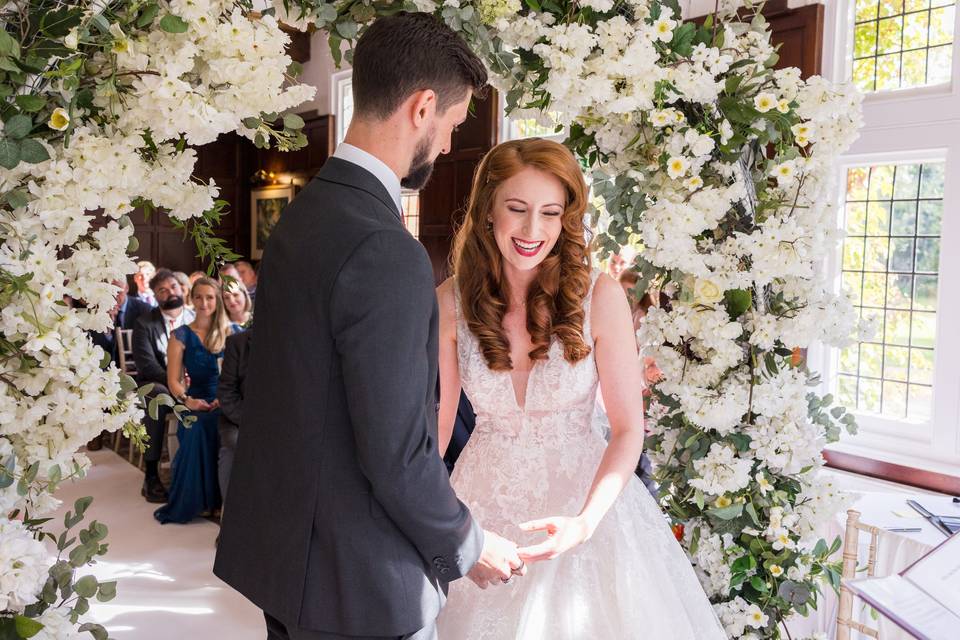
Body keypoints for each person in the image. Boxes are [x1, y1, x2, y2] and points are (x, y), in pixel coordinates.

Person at [214, 13, 523, 640]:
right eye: (452, 127)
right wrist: (467, 544)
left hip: (289, 564)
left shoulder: (304, 216)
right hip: (358, 583)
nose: (443, 147)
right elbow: (397, 454)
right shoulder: (385, 248)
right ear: (423, 106)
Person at [435, 139, 727, 638]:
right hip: (483, 505)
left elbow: (627, 430)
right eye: (517, 209)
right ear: (488, 209)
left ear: (566, 218)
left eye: (550, 213)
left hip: (588, 509)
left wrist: (585, 523)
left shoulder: (600, 295)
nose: (533, 231)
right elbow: (436, 432)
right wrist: (443, 530)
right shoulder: (449, 302)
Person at [154, 277, 238, 524]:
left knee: (222, 427)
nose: (204, 303)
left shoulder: (232, 333)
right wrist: (187, 400)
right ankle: (201, 501)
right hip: (195, 400)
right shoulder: (180, 335)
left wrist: (226, 400)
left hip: (227, 401)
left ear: (218, 300)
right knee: (197, 426)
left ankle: (222, 500)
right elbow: (174, 380)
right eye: (199, 297)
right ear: (192, 298)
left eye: (210, 297)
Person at [132, 269, 196, 503]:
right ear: (155, 296)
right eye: (162, 290)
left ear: (182, 289)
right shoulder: (144, 323)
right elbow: (147, 365)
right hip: (157, 384)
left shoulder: (195, 318)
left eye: (173, 287)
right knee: (156, 398)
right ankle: (151, 476)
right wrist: (176, 385)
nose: (169, 292)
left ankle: (196, 475)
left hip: (194, 383)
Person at [87, 279, 153, 450]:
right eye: (109, 289)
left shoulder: (143, 310)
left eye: (118, 289)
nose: (114, 294)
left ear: (127, 287)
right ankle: (96, 433)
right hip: (106, 370)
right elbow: (95, 350)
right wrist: (106, 329)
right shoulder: (95, 313)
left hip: (137, 369)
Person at [216, 327, 251, 503]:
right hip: (237, 418)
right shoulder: (238, 343)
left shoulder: (287, 342)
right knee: (235, 444)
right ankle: (231, 514)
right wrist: (251, 421)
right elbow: (226, 392)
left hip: (275, 420)